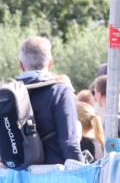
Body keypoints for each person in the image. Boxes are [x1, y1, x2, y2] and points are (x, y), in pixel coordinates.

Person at [16, 36, 83, 164]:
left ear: (21, 65)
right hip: (53, 171)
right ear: (50, 63)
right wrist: (81, 171)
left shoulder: (8, 93)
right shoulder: (60, 91)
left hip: (17, 171)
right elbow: (69, 142)